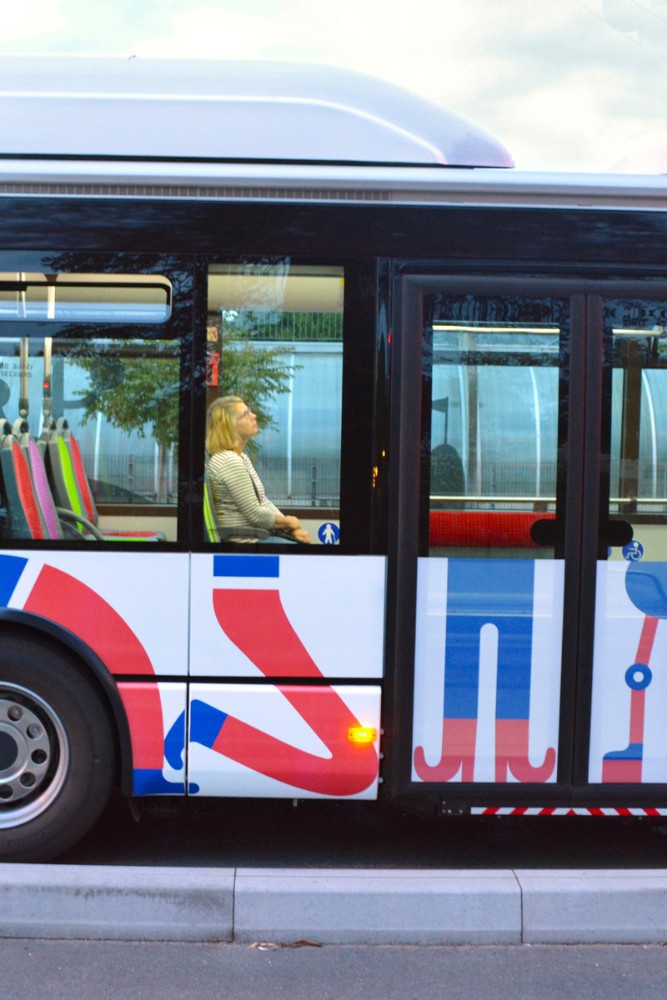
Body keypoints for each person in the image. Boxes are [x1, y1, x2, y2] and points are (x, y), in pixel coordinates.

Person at [206, 396, 311, 544]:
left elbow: (263, 502)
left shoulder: (240, 456)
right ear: (229, 425)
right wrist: (289, 523)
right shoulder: (229, 461)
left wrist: (290, 527)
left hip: (258, 534)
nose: (253, 415)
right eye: (245, 414)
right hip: (246, 541)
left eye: (249, 411)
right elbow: (256, 514)